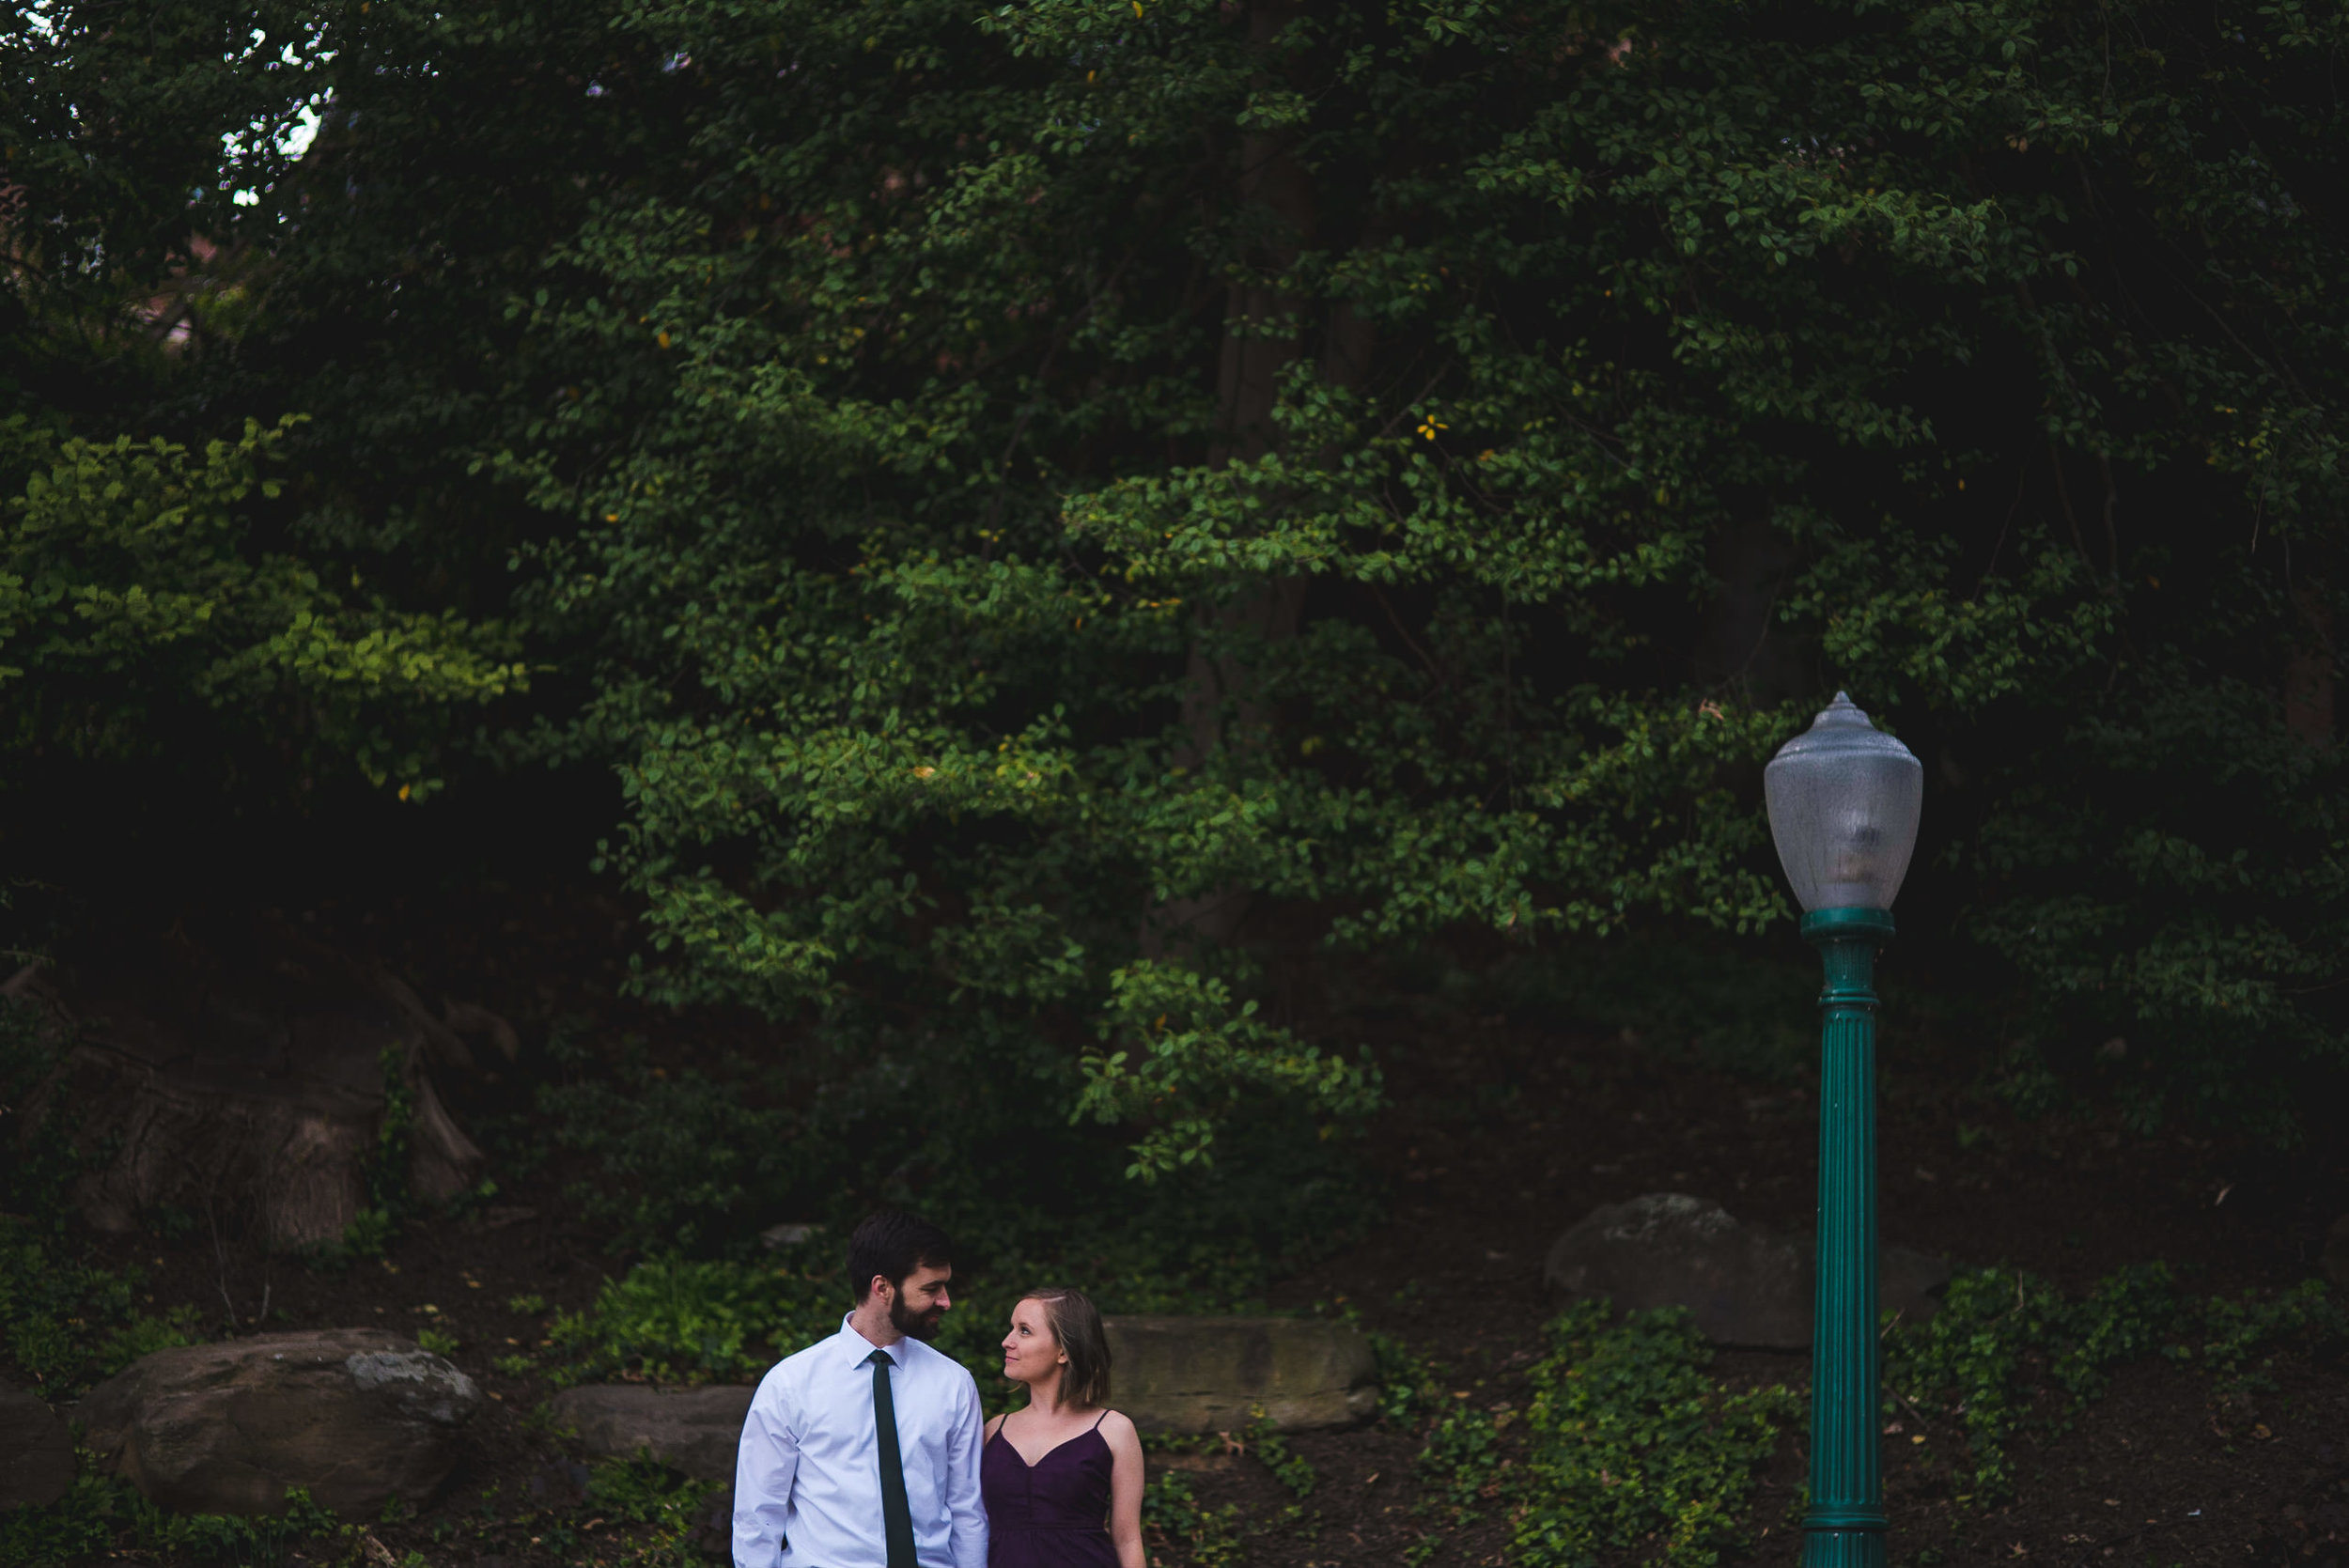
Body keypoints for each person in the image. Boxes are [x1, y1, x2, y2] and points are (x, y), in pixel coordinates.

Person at [734, 1210, 988, 1568]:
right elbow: (758, 1514)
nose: (946, 1301)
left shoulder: (954, 1384)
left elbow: (966, 1509)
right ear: (882, 1287)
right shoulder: (790, 1384)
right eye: (931, 1289)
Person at [981, 1287, 1144, 1568]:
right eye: (1012, 1329)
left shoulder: (1114, 1430)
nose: (1007, 1341)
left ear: (1063, 1351)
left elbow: (1127, 1539)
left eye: (1024, 1331)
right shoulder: (993, 1431)